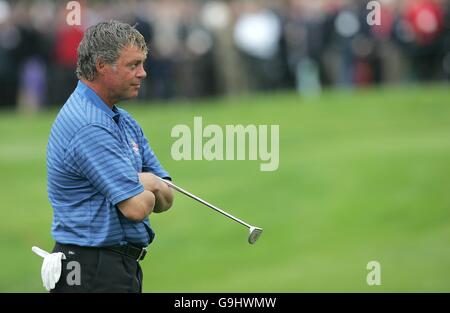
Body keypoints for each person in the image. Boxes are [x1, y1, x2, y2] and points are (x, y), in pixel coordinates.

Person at [46, 20, 174, 292]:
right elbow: (138, 208)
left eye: (142, 63)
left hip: (111, 266)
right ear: (102, 66)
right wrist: (148, 180)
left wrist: (145, 183)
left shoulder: (122, 120)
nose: (143, 73)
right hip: (90, 269)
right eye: (133, 65)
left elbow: (167, 197)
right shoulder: (89, 125)